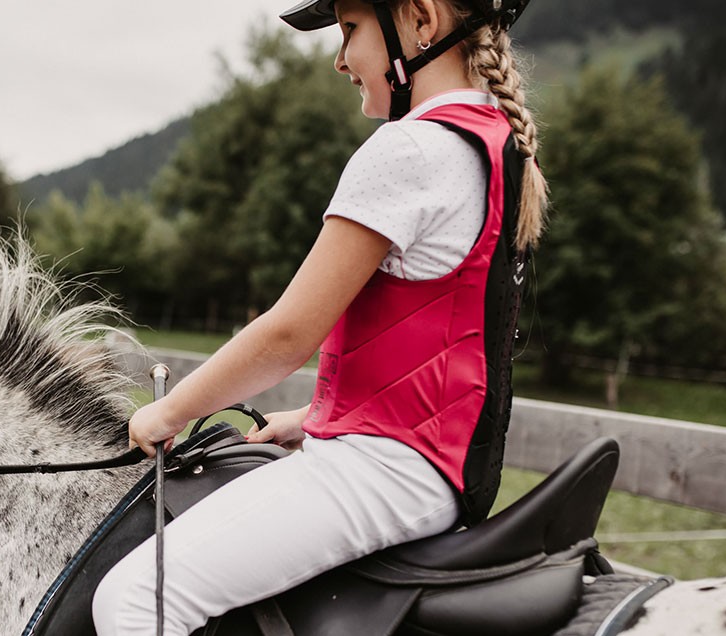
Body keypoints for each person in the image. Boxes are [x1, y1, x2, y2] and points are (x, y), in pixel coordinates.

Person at [92, 0, 548, 632]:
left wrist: (169, 411)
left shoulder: (410, 148)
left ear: (421, 20)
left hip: (385, 471)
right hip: (428, 468)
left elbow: (287, 335)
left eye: (350, 31)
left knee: (135, 598)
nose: (340, 60)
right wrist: (318, 417)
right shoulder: (491, 143)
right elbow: (450, 346)